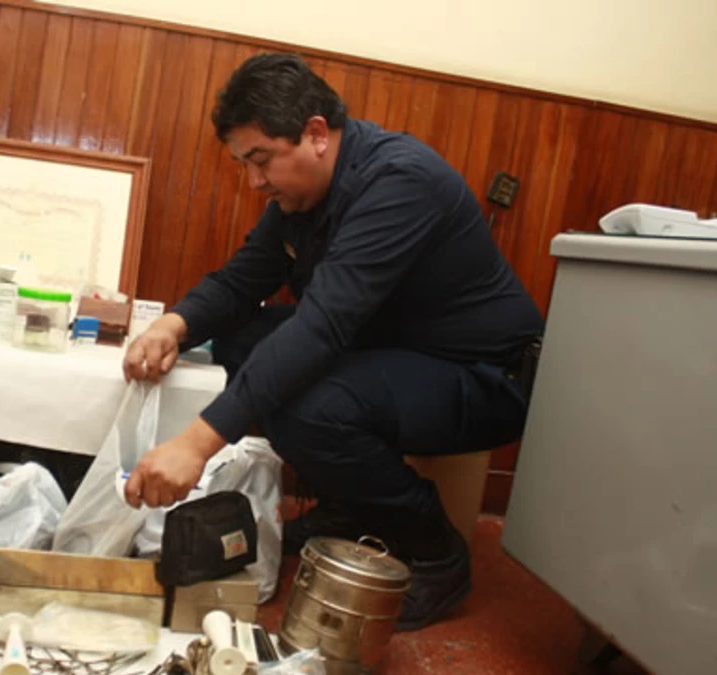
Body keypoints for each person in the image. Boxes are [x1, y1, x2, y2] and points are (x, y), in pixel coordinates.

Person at [120, 53, 544, 630]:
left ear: (317, 134)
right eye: (244, 165)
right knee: (240, 340)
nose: (254, 181)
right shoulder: (299, 195)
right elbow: (241, 282)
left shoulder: (401, 182)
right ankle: (351, 508)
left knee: (311, 408)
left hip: (485, 374)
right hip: (396, 348)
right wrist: (172, 325)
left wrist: (196, 444)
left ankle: (436, 551)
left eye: (261, 160)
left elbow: (321, 328)